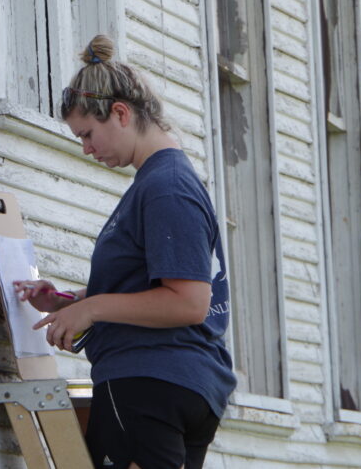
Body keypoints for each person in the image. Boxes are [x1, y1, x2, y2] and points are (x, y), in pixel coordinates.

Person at [13, 35, 236, 469]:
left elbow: (189, 302)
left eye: (88, 134)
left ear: (120, 113)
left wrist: (92, 309)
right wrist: (71, 302)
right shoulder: (162, 183)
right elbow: (150, 288)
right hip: (178, 384)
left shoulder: (166, 186)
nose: (87, 149)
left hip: (149, 383)